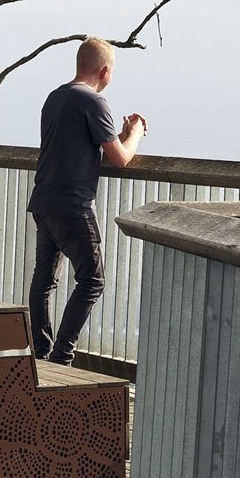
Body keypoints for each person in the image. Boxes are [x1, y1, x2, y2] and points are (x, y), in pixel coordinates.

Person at [26, 36, 146, 365]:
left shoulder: (55, 98)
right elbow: (120, 159)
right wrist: (135, 133)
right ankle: (61, 357)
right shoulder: (93, 102)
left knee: (44, 278)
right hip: (73, 205)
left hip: (44, 200)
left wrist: (118, 135)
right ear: (105, 70)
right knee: (93, 280)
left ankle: (40, 350)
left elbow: (88, 149)